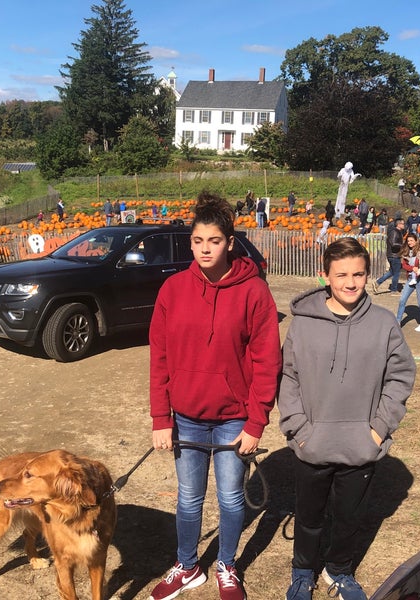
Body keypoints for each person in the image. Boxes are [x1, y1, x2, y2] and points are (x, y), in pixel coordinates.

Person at [148, 191, 282, 600]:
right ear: (190, 242)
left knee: (229, 498)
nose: (206, 249)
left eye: (215, 241)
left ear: (230, 242)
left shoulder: (254, 292)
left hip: (233, 420)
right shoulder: (172, 289)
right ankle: (187, 566)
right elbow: (160, 357)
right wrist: (160, 418)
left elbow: (266, 362)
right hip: (186, 417)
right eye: (198, 241)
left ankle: (226, 563)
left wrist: (256, 421)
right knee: (188, 500)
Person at [278, 237, 415, 600]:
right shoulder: (303, 324)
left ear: (368, 275)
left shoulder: (384, 324)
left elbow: (400, 377)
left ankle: (339, 570)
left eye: (358, 274)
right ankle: (303, 570)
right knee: (308, 517)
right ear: (325, 275)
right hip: (312, 444)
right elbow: (287, 376)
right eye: (341, 275)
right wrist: (298, 429)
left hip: (361, 446)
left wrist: (378, 430)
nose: (350, 282)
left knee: (350, 518)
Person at [395, 233, 420, 332]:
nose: (409, 242)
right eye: (408, 241)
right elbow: (404, 265)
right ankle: (398, 321)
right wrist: (412, 268)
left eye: (411, 240)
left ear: (416, 240)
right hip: (411, 279)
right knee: (402, 300)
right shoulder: (406, 251)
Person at [372, 217, 405, 294]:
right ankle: (393, 289)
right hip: (394, 255)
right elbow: (393, 244)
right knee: (396, 273)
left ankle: (377, 283)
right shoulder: (394, 232)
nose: (404, 225)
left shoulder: (398, 232)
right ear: (398, 224)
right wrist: (402, 246)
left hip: (394, 255)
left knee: (391, 272)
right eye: (403, 223)